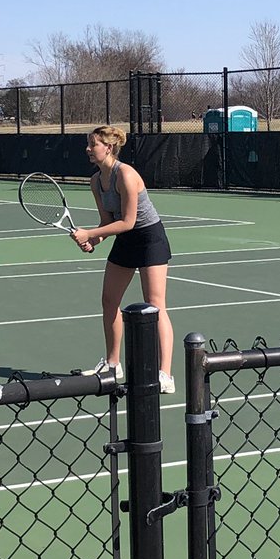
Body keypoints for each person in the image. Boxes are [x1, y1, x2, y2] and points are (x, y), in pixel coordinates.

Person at [70, 125, 176, 394]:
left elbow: (128, 221)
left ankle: (165, 374)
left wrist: (91, 233)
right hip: (126, 240)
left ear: (108, 147)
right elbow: (108, 222)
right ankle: (113, 364)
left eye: (92, 144)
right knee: (109, 300)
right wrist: (93, 240)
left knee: (155, 305)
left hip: (149, 238)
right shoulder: (96, 181)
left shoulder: (126, 175)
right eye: (88, 144)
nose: (88, 149)